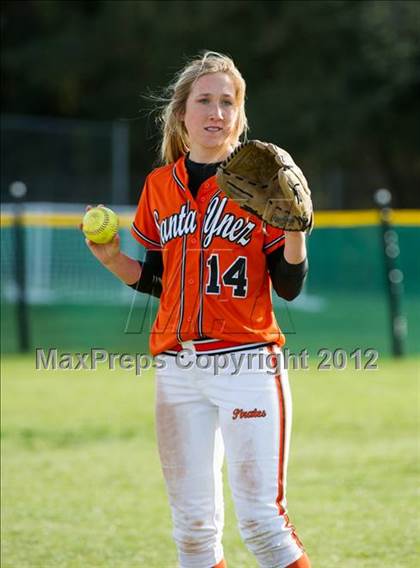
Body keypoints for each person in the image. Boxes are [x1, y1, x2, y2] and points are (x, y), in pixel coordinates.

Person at [85, 51, 311, 568]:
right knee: (191, 531)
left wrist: (296, 233)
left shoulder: (262, 184)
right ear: (181, 114)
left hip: (247, 364)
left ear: (240, 114)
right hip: (177, 370)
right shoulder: (159, 187)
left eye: (227, 102)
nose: (216, 112)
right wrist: (114, 258)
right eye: (204, 101)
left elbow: (289, 286)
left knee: (262, 524)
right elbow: (161, 281)